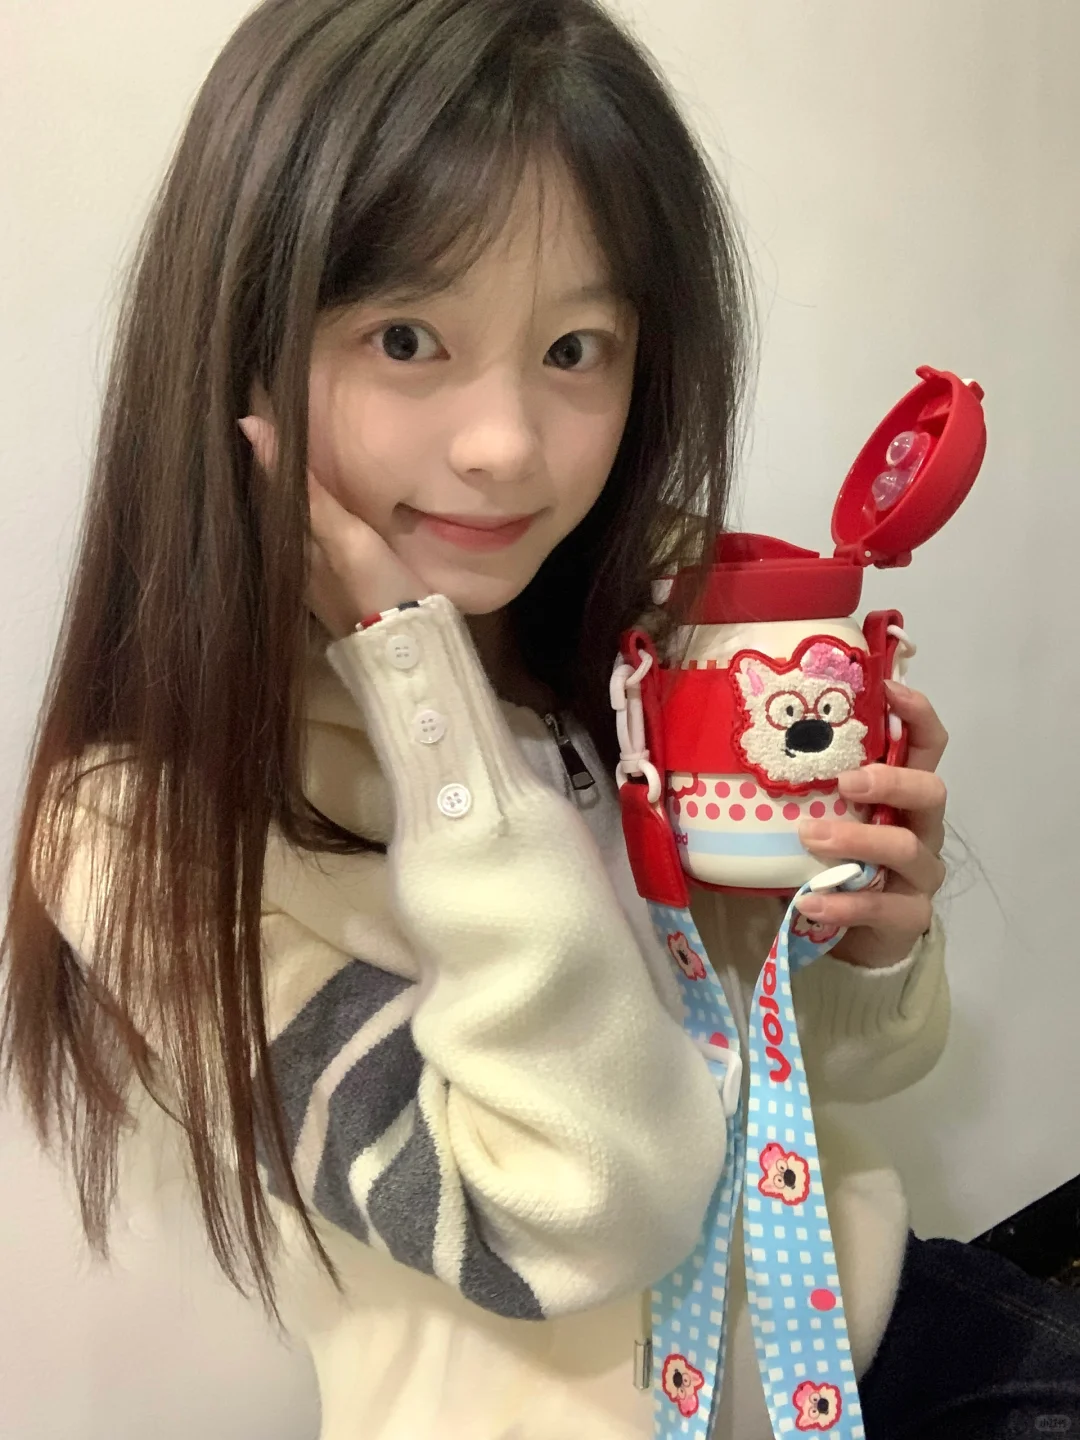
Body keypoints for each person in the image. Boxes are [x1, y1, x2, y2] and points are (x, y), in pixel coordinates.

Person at [3, 1, 1078, 1436]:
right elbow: (584, 1217)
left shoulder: (649, 627)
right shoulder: (138, 829)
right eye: (406, 336)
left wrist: (867, 939)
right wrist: (425, 705)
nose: (507, 444)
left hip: (869, 1327)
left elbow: (825, 1071)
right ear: (239, 353)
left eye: (578, 348)